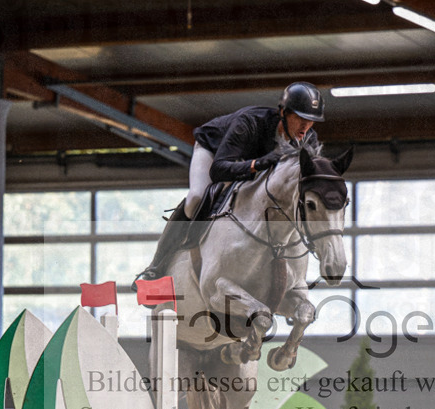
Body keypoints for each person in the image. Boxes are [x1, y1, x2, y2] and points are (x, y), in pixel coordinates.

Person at [132, 81, 324, 287]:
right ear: (283, 112)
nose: (305, 126)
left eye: (310, 121)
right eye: (300, 118)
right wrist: (257, 164)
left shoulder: (308, 140)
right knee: (196, 197)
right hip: (214, 152)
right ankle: (157, 265)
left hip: (250, 165)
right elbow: (219, 170)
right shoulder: (248, 122)